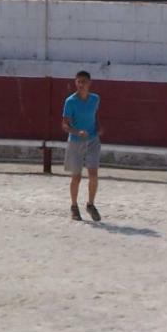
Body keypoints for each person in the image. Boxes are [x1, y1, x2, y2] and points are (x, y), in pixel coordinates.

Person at [61, 71, 102, 222]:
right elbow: (64, 125)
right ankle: (74, 206)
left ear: (89, 83)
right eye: (78, 82)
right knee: (76, 177)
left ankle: (90, 204)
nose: (81, 84)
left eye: (83, 81)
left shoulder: (95, 99)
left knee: (93, 174)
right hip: (76, 141)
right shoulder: (70, 101)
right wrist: (77, 131)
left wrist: (98, 128)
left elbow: (94, 117)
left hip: (92, 140)